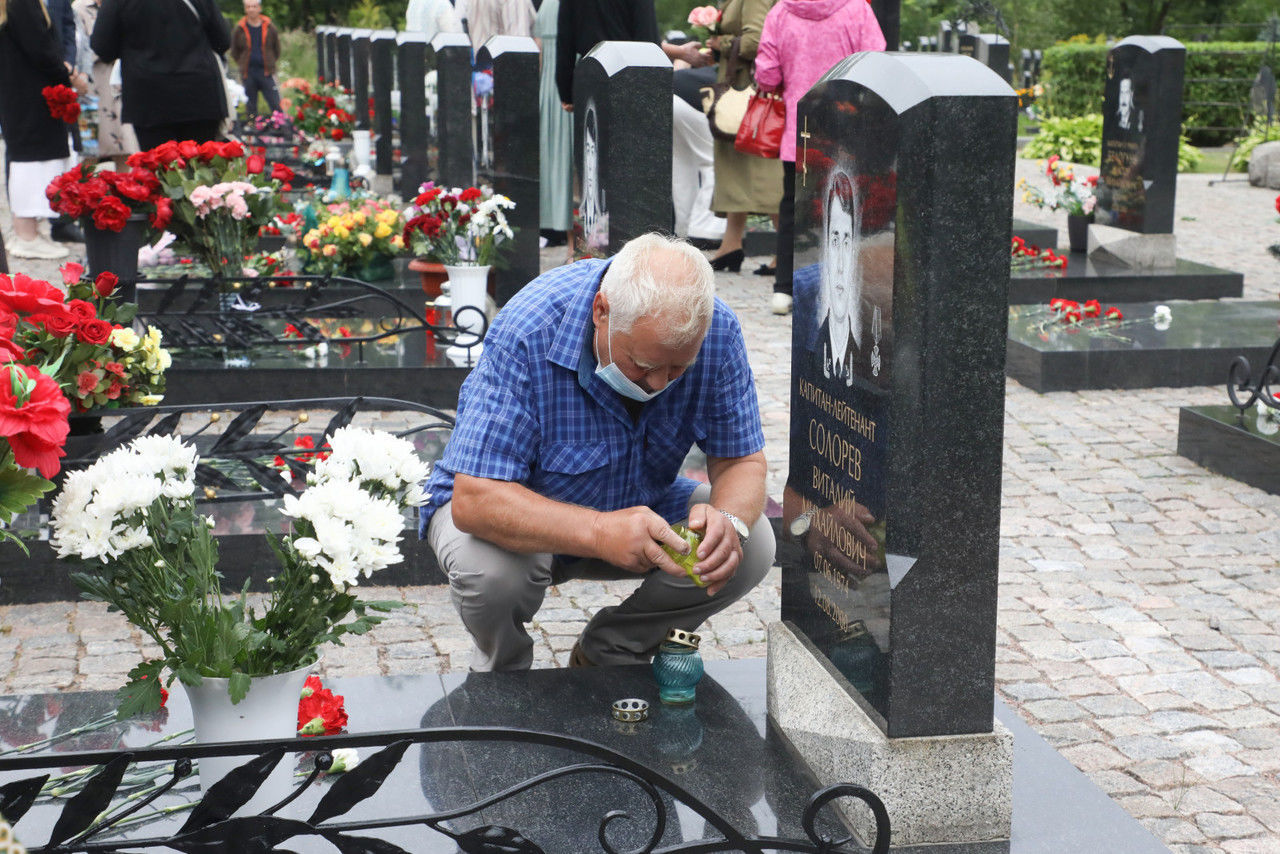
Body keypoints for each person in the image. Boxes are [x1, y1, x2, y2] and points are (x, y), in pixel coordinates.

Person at [421, 233, 775, 671]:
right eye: (643, 365)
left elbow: (741, 460)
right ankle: (503, 678)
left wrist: (730, 518)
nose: (659, 384)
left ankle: (612, 649)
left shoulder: (716, 330)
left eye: (678, 368)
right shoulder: (529, 328)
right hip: (516, 513)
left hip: (637, 505)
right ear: (601, 311)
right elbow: (476, 498)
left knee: (749, 543)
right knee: (492, 577)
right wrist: (597, 531)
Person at [754, 0, 884, 315]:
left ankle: (784, 289)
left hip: (799, 128)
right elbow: (875, 63)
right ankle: (847, 283)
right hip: (847, 125)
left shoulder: (781, 12)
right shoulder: (857, 10)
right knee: (848, 204)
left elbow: (767, 75)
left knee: (793, 207)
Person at [0, 0, 88, 260]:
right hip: (31, 94)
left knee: (30, 159)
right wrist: (67, 75)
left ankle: (30, 232)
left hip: (21, 93)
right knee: (32, 162)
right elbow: (39, 48)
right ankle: (26, 234)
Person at [704, 0, 782, 274]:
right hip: (740, 91)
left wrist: (720, 43)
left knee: (763, 172)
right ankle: (731, 245)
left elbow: (756, 41)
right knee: (736, 166)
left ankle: (787, 250)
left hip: (749, 94)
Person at [91, 0, 231, 149]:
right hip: (199, 94)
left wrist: (131, 51)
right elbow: (222, 41)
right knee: (199, 166)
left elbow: (102, 46)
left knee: (159, 165)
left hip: (148, 96)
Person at [72, 0, 137, 170]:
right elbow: (78, 48)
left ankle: (125, 196)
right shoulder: (79, 8)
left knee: (125, 151)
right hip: (90, 88)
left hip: (119, 88)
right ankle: (83, 194)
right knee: (89, 152)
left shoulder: (123, 4)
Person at [535, 0, 572, 249]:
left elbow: (538, 52)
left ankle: (566, 235)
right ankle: (574, 241)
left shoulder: (546, 5)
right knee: (573, 163)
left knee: (557, 162)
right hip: (569, 79)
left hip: (549, 87)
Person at [229, 0, 281, 121]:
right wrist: (241, 63)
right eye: (248, 7)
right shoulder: (240, 28)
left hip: (266, 71)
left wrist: (271, 62)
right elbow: (234, 50)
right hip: (248, 72)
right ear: (245, 9)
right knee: (250, 106)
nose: (251, 9)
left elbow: (276, 48)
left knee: (275, 103)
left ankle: (281, 128)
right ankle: (252, 129)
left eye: (254, 6)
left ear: (259, 8)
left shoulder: (269, 26)